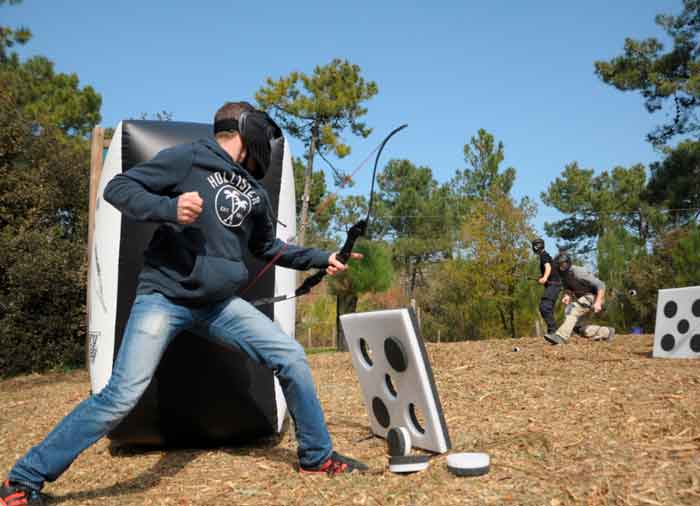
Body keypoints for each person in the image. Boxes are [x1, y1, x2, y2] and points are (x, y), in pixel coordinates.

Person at [1, 102, 367, 506]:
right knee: (121, 395)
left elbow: (268, 247)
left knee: (292, 357)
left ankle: (316, 457)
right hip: (164, 297)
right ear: (249, 131)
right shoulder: (190, 157)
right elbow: (119, 188)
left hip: (218, 306)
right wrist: (169, 209)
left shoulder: (256, 191)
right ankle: (23, 480)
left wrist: (322, 258)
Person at [544, 252, 615, 345]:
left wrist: (598, 302)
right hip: (583, 298)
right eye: (560, 265)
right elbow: (569, 289)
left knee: (574, 310)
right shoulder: (563, 276)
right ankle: (606, 332)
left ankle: (561, 337)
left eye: (564, 264)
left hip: (594, 296)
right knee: (576, 326)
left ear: (568, 262)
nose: (562, 267)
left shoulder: (578, 272)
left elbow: (601, 285)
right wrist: (567, 296)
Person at [531, 238, 561, 336]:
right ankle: (552, 332)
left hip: (553, 285)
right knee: (548, 308)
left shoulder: (544, 255)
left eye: (535, 246)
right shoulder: (545, 255)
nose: (534, 248)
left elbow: (548, 267)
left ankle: (553, 331)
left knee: (545, 307)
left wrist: (544, 277)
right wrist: (543, 277)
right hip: (554, 285)